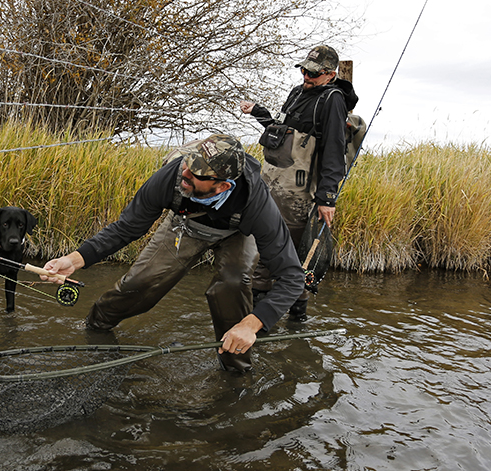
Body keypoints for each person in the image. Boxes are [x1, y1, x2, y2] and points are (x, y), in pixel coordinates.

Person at [39, 134, 304, 373]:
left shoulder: (258, 204)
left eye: (195, 174)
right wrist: (73, 260)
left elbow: (292, 277)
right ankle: (96, 326)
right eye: (187, 165)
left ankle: (235, 368)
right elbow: (126, 228)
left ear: (223, 186)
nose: (184, 173)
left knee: (234, 284)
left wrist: (254, 323)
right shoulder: (171, 176)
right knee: (140, 283)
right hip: (185, 226)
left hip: (236, 234)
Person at [238, 44, 360, 321]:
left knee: (290, 253)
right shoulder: (297, 93)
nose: (307, 77)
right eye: (305, 70)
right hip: (272, 183)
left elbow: (333, 151)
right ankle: (258, 313)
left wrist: (327, 199)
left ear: (330, 75)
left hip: (300, 192)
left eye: (314, 74)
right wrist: (258, 111)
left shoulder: (333, 100)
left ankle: (295, 317)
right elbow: (280, 126)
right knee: (264, 244)